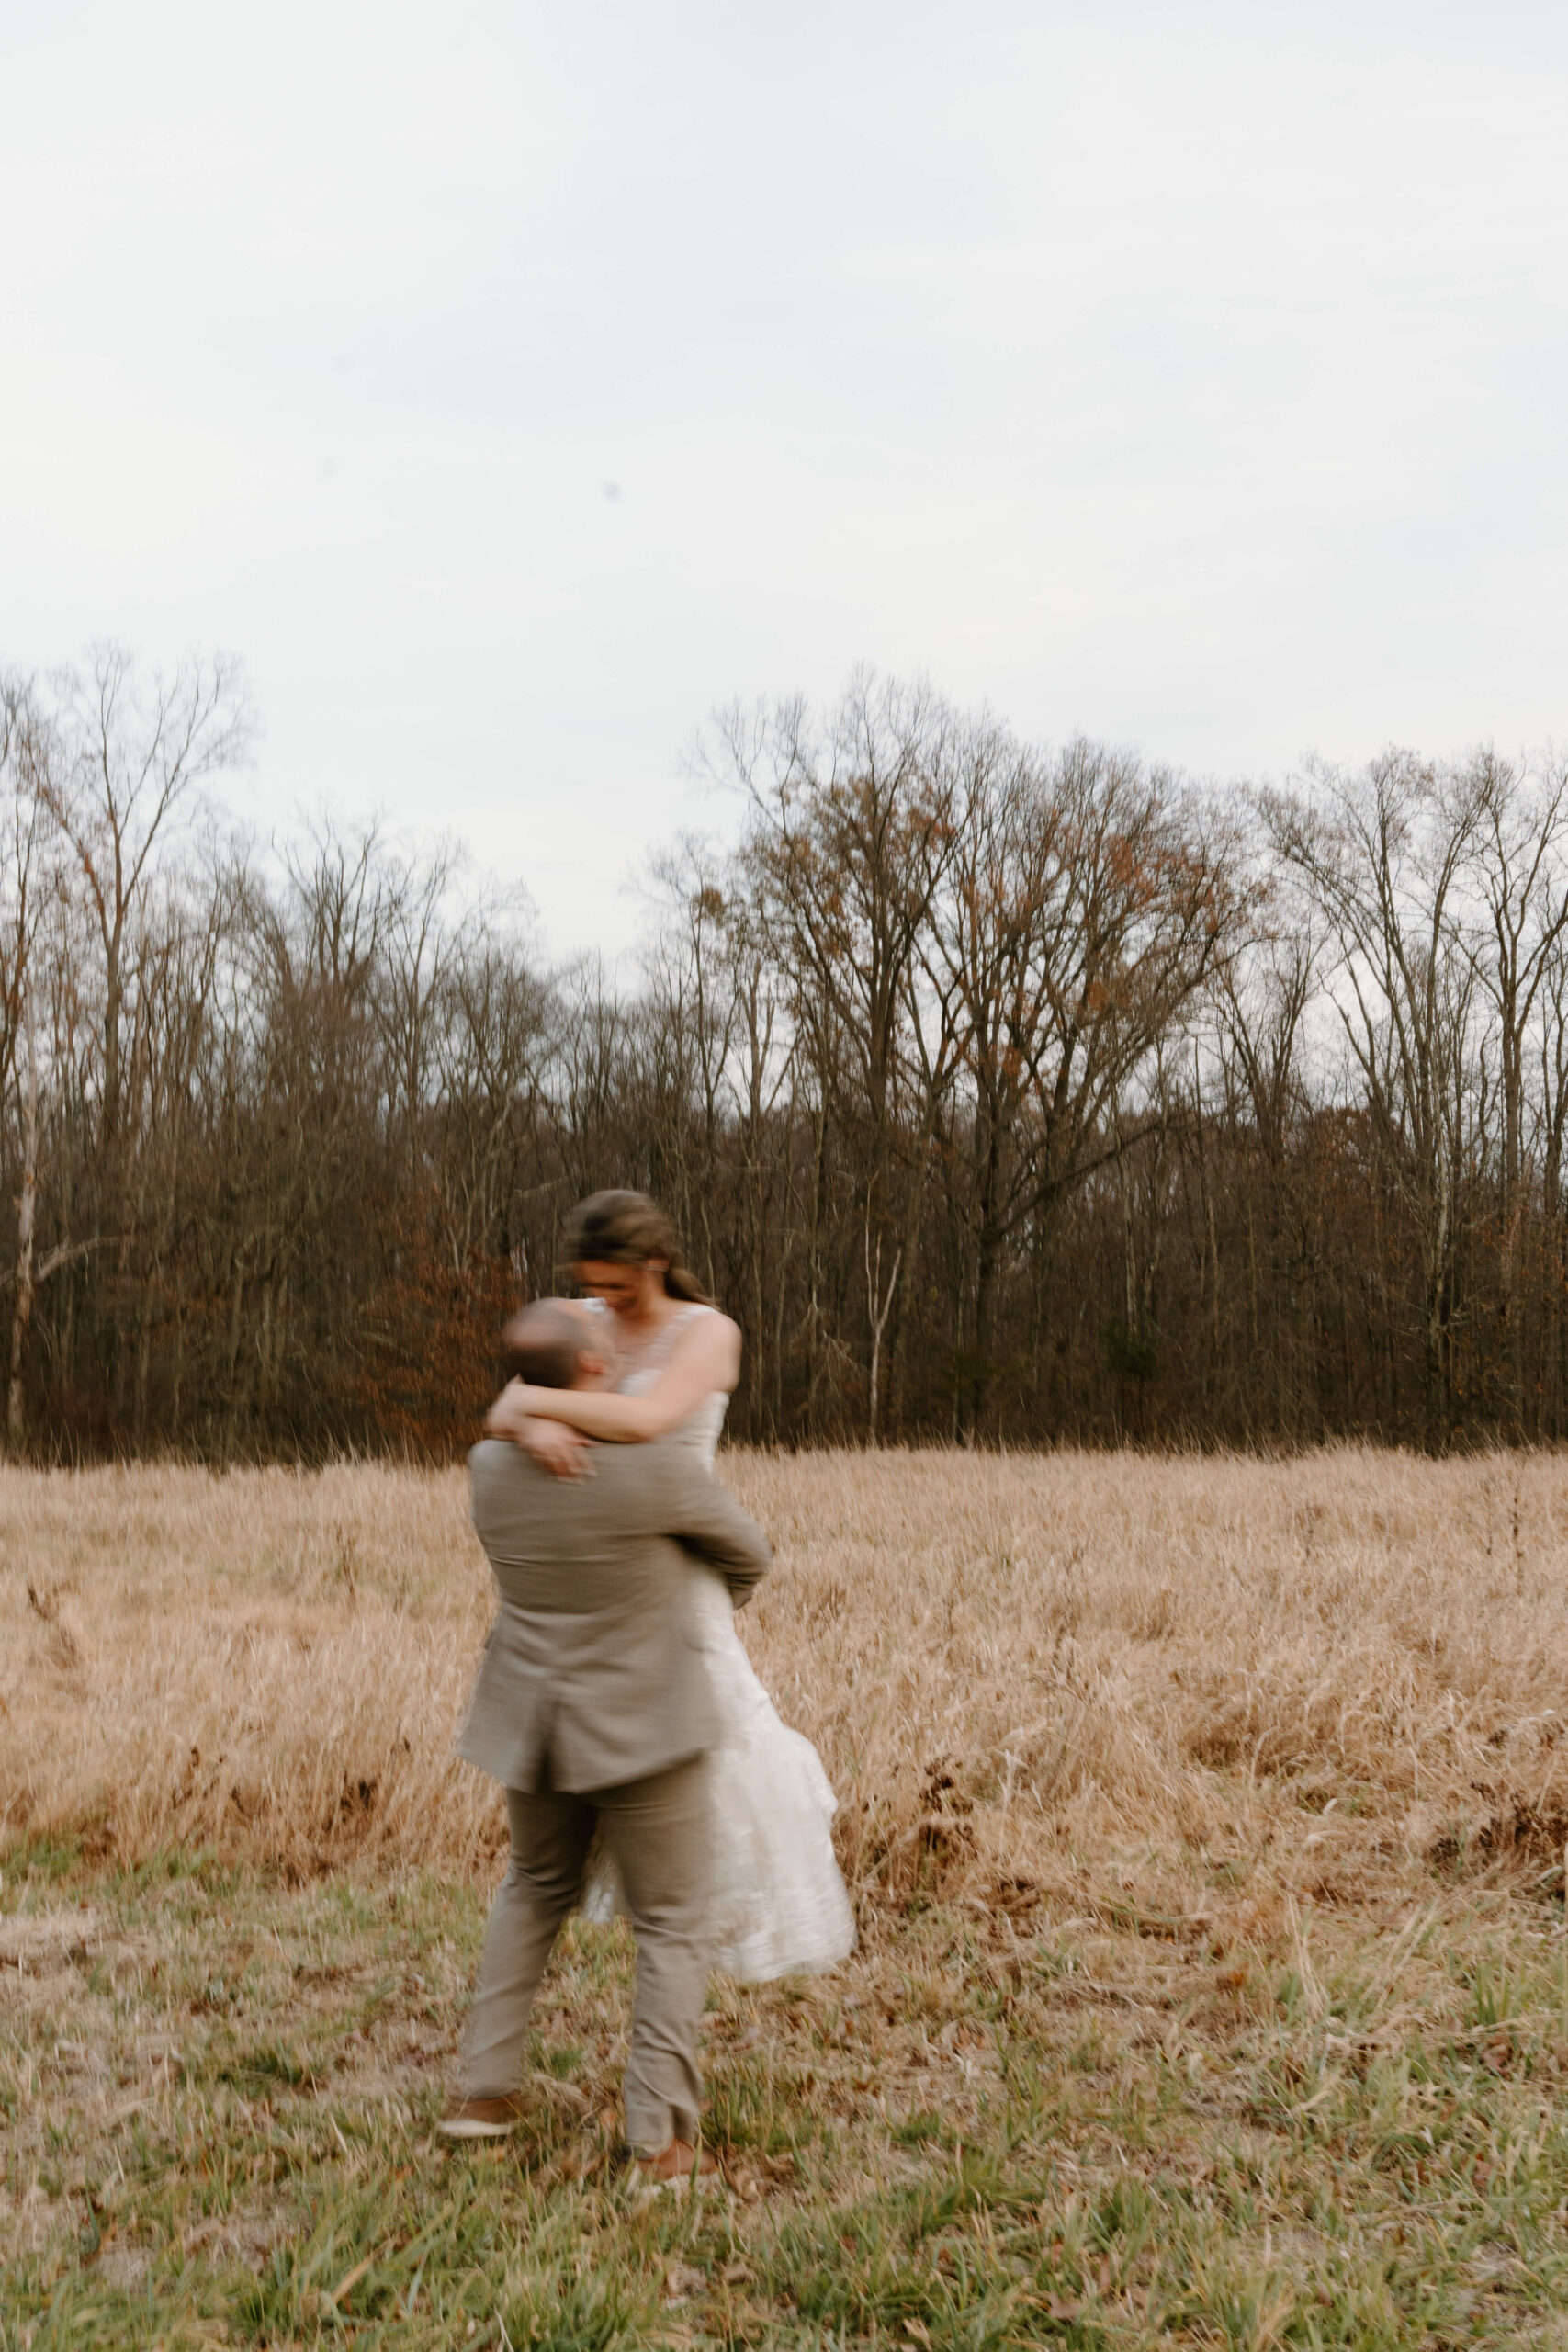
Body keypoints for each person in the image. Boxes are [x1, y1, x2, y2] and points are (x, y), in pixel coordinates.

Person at [486, 1190, 856, 1982]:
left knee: (715, 1723)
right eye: (593, 1284)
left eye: (617, 1284)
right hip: (602, 1557)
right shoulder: (582, 1318)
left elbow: (649, 1421)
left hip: (679, 1556)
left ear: (656, 1260)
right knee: (610, 1730)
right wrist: (528, 1421)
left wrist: (532, 1404)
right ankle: (648, 1892)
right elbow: (504, 1399)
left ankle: (733, 1920)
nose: (604, 1301)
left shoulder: (710, 1332)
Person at [444, 1300, 773, 2190]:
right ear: (592, 1372)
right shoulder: (653, 1468)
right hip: (644, 1721)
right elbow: (750, 1552)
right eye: (600, 1345)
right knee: (669, 1923)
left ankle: (484, 2091)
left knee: (533, 1887)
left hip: (531, 1716)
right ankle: (657, 2137)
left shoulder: (488, 1467)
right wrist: (688, 1589)